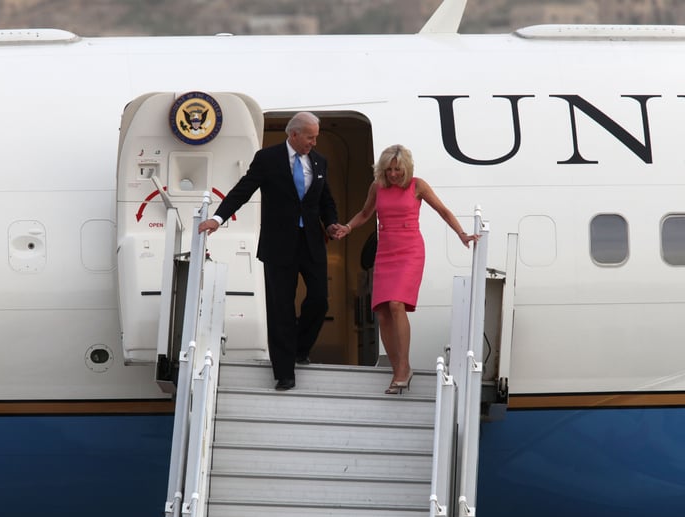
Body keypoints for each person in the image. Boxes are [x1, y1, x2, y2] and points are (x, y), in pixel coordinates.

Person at [198, 112, 344, 391]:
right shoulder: (268, 159)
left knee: (319, 300)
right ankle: (284, 371)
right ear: (294, 135)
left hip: (312, 242)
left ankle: (300, 347)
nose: (314, 142)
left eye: (316, 137)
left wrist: (333, 223)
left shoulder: (319, 161)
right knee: (281, 309)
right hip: (279, 244)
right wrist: (218, 219)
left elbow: (326, 200)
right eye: (310, 137)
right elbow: (243, 190)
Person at [336, 144, 478, 394]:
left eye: (398, 170)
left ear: (406, 168)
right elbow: (365, 213)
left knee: (395, 304)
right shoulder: (377, 187)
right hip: (386, 251)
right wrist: (348, 227)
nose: (393, 174)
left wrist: (462, 234)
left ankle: (403, 367)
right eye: (389, 169)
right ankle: (398, 369)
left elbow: (443, 211)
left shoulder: (417, 185)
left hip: (410, 250)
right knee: (381, 312)